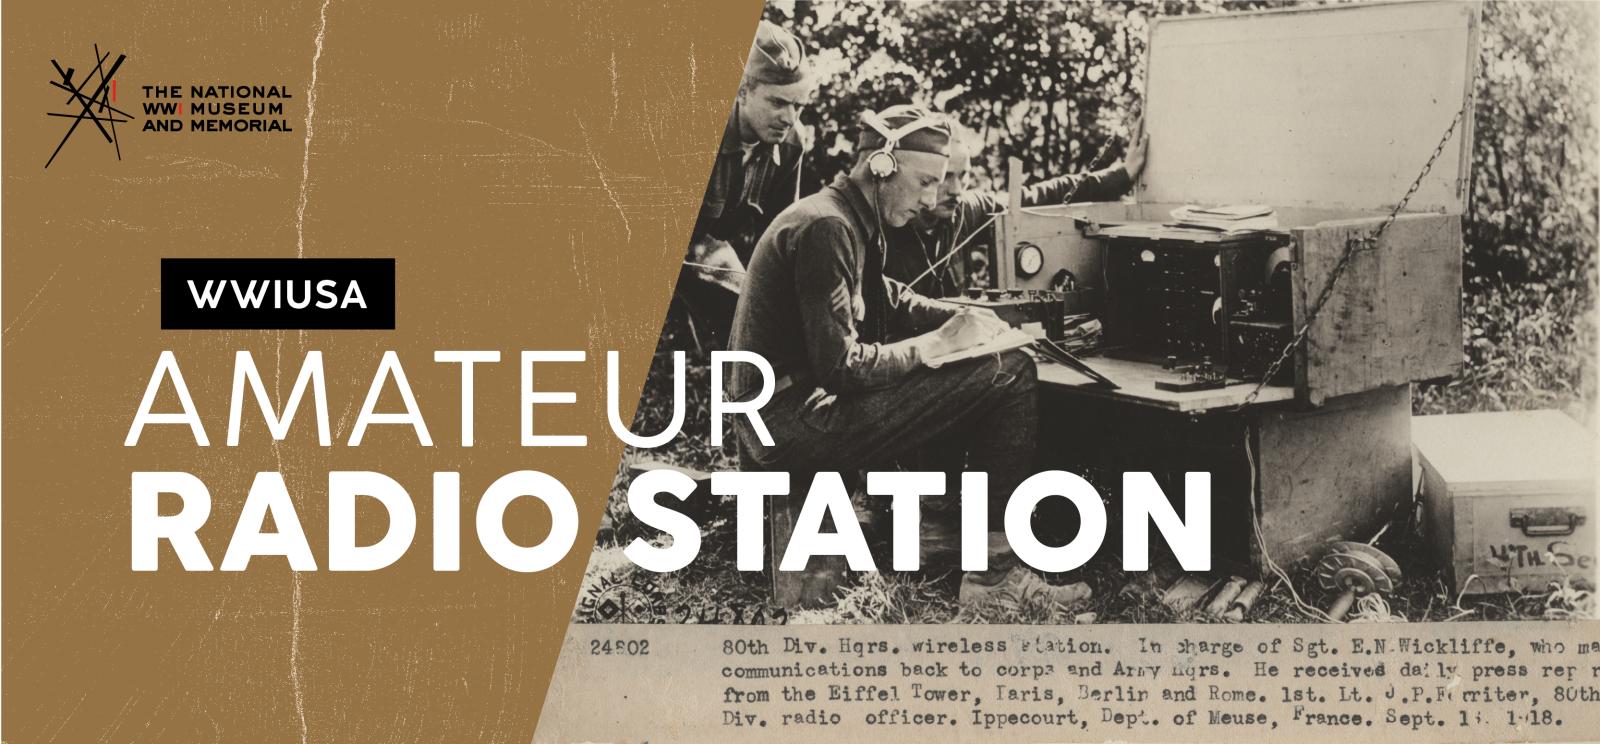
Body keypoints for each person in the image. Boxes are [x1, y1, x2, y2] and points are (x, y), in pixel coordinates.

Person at [728, 104, 1092, 608]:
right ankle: (994, 579)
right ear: (881, 165)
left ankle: (954, 536)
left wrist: (970, 318)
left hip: (785, 412)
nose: (931, 199)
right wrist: (939, 344)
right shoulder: (827, 229)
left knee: (989, 365)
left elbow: (890, 299)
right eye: (923, 182)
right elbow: (843, 366)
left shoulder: (847, 218)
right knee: (1009, 374)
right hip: (790, 422)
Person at [675, 20, 817, 351]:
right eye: (778, 103)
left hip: (708, 250)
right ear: (741, 91)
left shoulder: (792, 143)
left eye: (798, 106)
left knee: (757, 318)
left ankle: (735, 388)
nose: (789, 117)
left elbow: (780, 234)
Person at [883, 125, 1149, 297]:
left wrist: (1122, 175)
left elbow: (1040, 196)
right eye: (945, 178)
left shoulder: (965, 210)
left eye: (963, 176)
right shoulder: (885, 226)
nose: (956, 190)